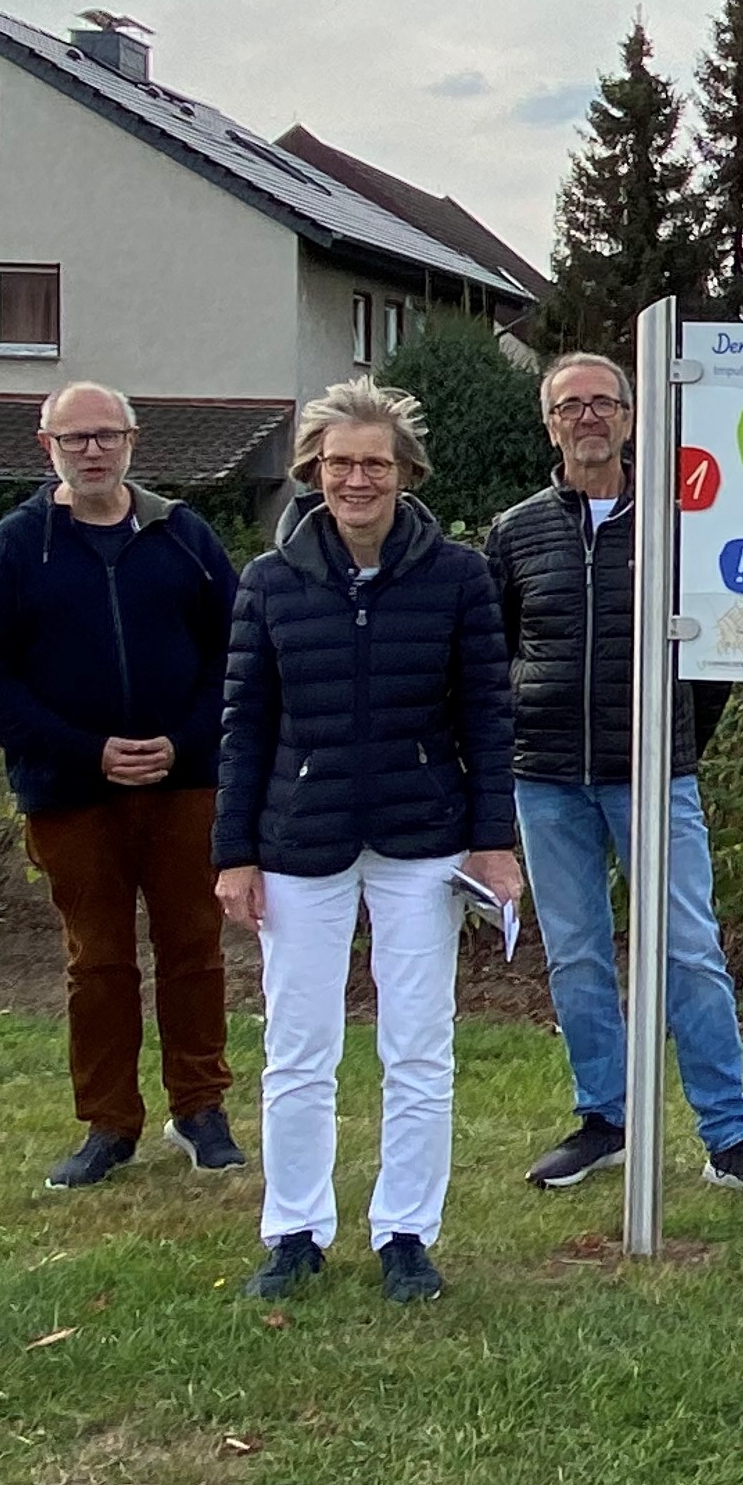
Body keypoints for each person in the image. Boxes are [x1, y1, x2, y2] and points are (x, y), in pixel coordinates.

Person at [214, 381, 522, 1307]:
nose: (356, 479)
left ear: (405, 474)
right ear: (313, 473)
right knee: (298, 1046)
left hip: (422, 839)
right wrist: (233, 852)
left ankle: (406, 1234)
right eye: (339, 463)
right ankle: (295, 1229)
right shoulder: (269, 583)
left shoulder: (458, 576)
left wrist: (492, 842)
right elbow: (243, 725)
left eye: (374, 464)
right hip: (297, 841)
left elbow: (487, 716)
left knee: (418, 1046)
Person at [488, 352, 743, 1203]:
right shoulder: (515, 533)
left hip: (654, 778)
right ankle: (605, 1120)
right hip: (546, 780)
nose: (587, 418)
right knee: (578, 954)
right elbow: (496, 652)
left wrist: (677, 743)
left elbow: (717, 654)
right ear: (549, 425)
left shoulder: (679, 522)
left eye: (603, 404)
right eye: (569, 407)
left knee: (689, 950)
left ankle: (729, 1136)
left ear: (631, 418)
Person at [0, 382, 247, 1190]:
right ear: (43, 443)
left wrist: (183, 741)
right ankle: (109, 1123)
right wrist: (89, 752)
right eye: (74, 437)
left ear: (132, 439)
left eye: (106, 435)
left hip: (186, 783)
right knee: (98, 961)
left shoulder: (183, 536)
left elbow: (236, 652)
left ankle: (201, 1109)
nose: (92, 450)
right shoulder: (17, 548)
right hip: (70, 791)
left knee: (193, 949)